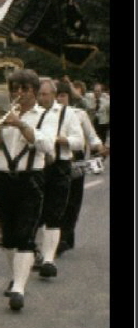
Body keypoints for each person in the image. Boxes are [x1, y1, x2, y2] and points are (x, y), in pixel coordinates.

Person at [0, 68, 57, 312]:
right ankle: (16, 276)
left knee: (25, 233)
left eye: (24, 89)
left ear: (35, 91)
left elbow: (47, 145)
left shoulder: (45, 115)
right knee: (7, 236)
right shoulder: (0, 112)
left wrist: (19, 124)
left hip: (30, 179)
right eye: (14, 89)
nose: (19, 93)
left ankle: (18, 287)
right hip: (2, 178)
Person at [32, 77, 84, 278]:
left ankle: (48, 259)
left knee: (55, 212)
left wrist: (59, 139)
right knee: (35, 212)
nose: (41, 98)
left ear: (54, 95)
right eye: (39, 94)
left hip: (59, 166)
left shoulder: (67, 113)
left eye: (45, 94)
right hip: (36, 165)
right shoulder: (32, 113)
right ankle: (34, 251)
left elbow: (79, 142)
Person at [56, 81, 103, 256]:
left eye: (62, 96)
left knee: (73, 200)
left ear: (69, 97)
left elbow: (92, 137)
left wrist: (99, 147)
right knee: (55, 200)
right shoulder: (46, 115)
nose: (59, 99)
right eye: (57, 96)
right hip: (54, 160)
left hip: (76, 159)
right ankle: (56, 236)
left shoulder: (79, 114)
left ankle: (65, 236)